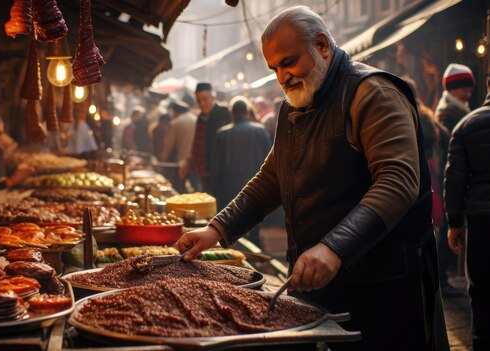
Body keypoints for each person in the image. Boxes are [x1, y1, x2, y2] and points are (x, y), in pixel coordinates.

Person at [175, 6, 447, 350]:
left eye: (288, 62)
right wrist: (216, 230)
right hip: (322, 286)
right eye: (274, 68)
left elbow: (397, 181)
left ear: (321, 46)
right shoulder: (293, 107)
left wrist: (334, 248)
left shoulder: (372, 93)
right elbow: (271, 179)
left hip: (384, 286)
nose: (282, 77)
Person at [444, 71, 490, 351]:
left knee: (482, 288)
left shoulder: (465, 125)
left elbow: (455, 179)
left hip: (482, 219)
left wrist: (454, 223)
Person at [434, 63, 475, 296]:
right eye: (463, 89)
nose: (467, 93)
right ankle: (441, 277)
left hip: (450, 176)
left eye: (469, 89)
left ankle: (442, 277)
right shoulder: (449, 114)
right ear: (452, 89)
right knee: (451, 225)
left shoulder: (456, 110)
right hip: (448, 177)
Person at [211, 96, 271, 246]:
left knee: (232, 222)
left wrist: (216, 187)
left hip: (229, 184)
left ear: (232, 113)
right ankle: (255, 247)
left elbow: (216, 165)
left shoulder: (222, 133)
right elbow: (269, 159)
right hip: (256, 183)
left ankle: (235, 248)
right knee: (255, 218)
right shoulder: (260, 131)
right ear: (247, 111)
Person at [180, 83, 231, 193]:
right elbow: (197, 143)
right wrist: (188, 162)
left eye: (205, 99)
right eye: (198, 101)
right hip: (204, 173)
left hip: (223, 172)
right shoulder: (200, 118)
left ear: (213, 96)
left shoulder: (224, 112)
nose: (202, 104)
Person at [160, 100, 196, 193]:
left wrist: (163, 160)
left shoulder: (175, 123)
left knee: (180, 190)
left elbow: (168, 145)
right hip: (195, 162)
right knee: (195, 190)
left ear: (175, 111)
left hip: (180, 163)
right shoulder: (196, 119)